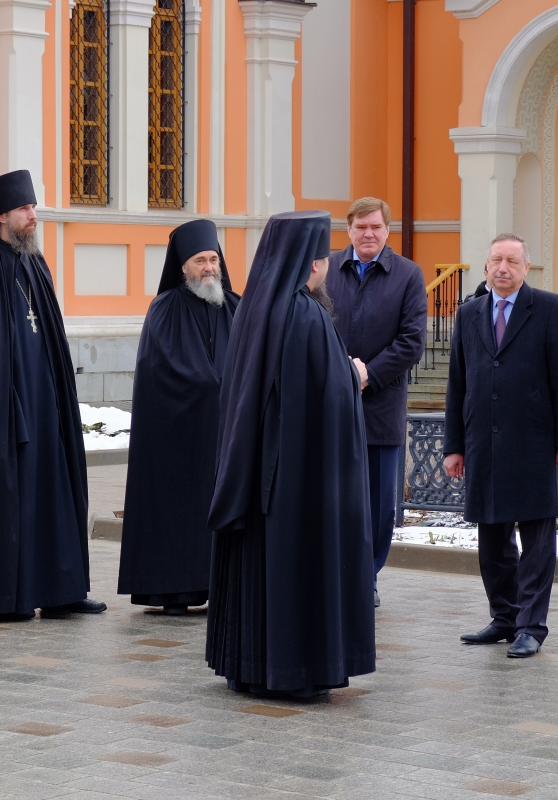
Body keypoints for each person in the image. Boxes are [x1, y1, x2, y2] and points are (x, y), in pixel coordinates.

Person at [207, 210, 375, 698]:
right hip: (295, 481)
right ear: (315, 263)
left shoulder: (255, 308)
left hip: (256, 472)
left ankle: (251, 663)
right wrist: (355, 375)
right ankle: (296, 668)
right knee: (294, 565)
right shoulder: (305, 313)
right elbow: (324, 397)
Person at [0, 170, 106, 620]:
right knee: (13, 501)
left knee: (54, 493)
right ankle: (1, 595)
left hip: (45, 407)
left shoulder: (34, 264)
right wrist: (7, 413)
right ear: (2, 215)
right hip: (7, 414)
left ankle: (61, 589)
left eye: (34, 208)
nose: (33, 216)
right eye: (26, 209)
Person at [443, 233, 558, 659]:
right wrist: (454, 445)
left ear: (526, 269)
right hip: (484, 442)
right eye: (496, 260)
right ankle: (504, 617)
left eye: (512, 261)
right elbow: (457, 384)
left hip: (535, 443)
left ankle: (530, 626)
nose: (503, 268)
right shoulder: (468, 313)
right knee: (492, 541)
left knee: (537, 541)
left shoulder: (550, 308)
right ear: (485, 268)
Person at [118, 220, 240, 614]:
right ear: (183, 266)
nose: (209, 267)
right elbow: (161, 372)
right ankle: (174, 590)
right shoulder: (165, 310)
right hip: (178, 440)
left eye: (213, 259)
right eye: (200, 260)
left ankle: (222, 587)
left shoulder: (235, 307)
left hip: (226, 439)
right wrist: (217, 389)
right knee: (179, 516)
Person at [326, 198, 426, 609]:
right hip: (329, 400)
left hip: (381, 405)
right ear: (348, 229)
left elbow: (412, 340)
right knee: (332, 496)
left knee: (380, 505)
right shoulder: (326, 267)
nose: (369, 234)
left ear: (388, 231)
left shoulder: (407, 274)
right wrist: (337, 369)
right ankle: (333, 572)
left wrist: (368, 373)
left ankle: (366, 576)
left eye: (376, 227)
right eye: (361, 226)